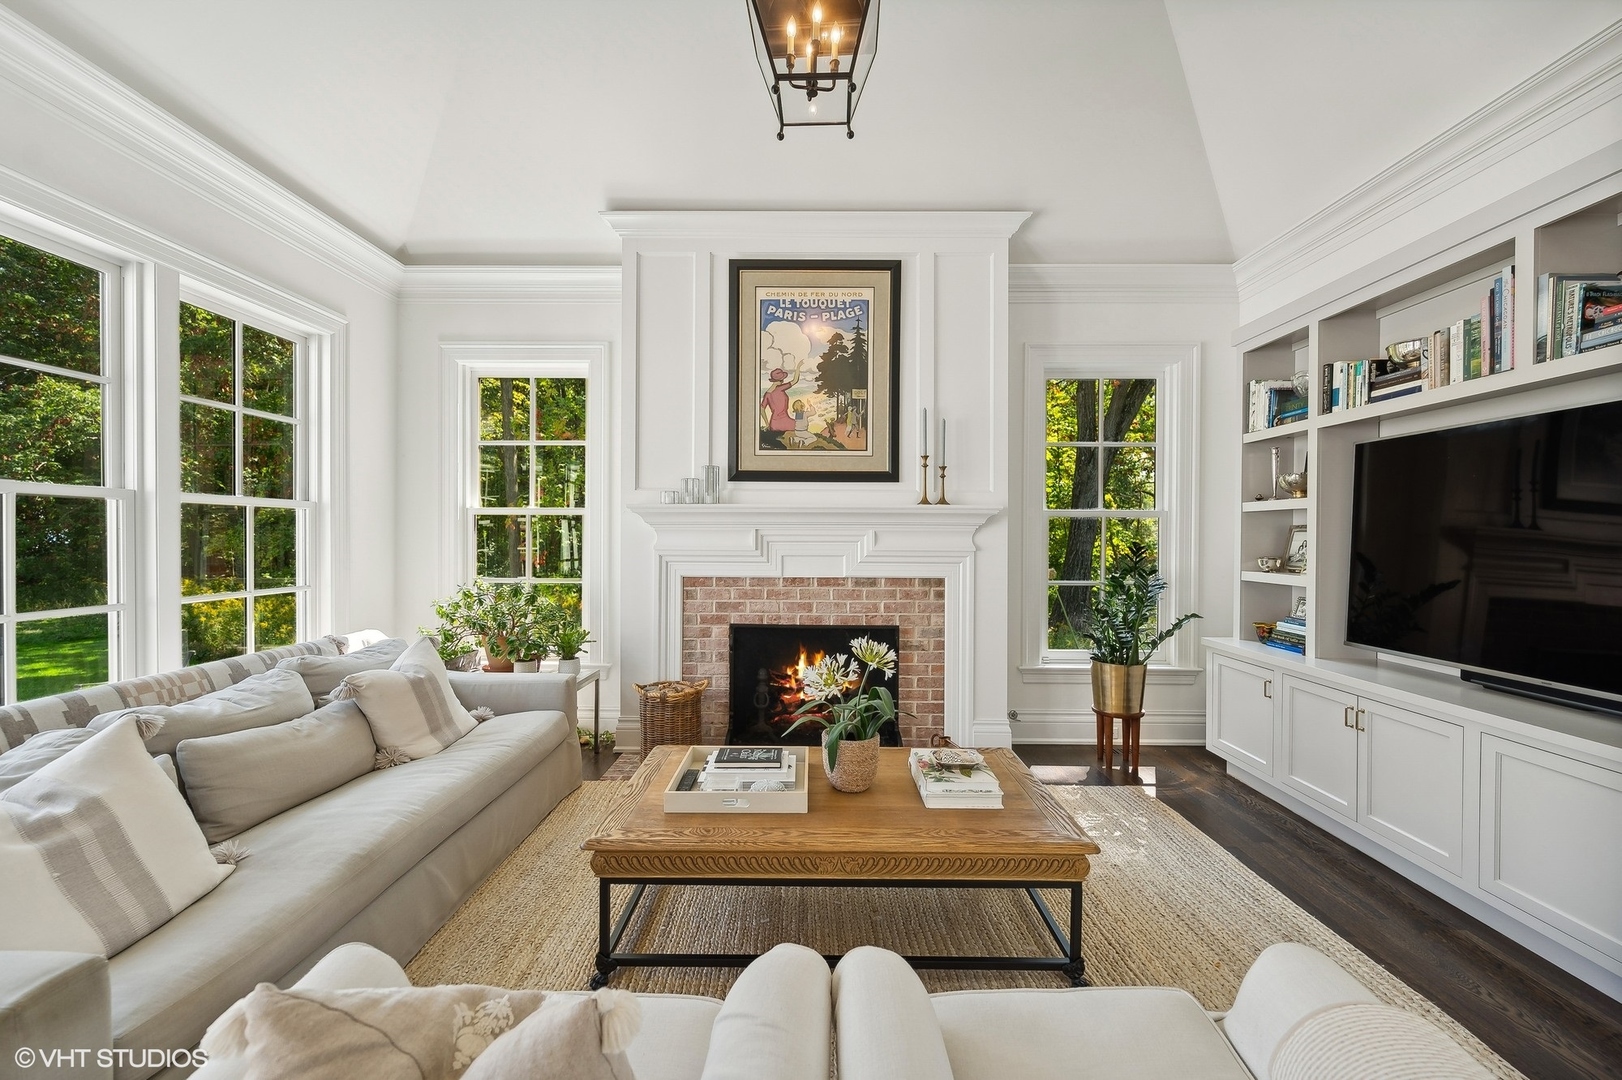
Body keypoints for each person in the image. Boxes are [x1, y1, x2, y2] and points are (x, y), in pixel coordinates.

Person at [759, 366, 800, 449]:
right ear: (779, 380)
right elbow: (795, 380)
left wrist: (767, 423)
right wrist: (798, 367)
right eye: (782, 379)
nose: (783, 381)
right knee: (801, 424)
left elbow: (761, 409)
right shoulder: (780, 389)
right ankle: (796, 440)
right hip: (786, 421)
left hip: (774, 423)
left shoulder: (767, 394)